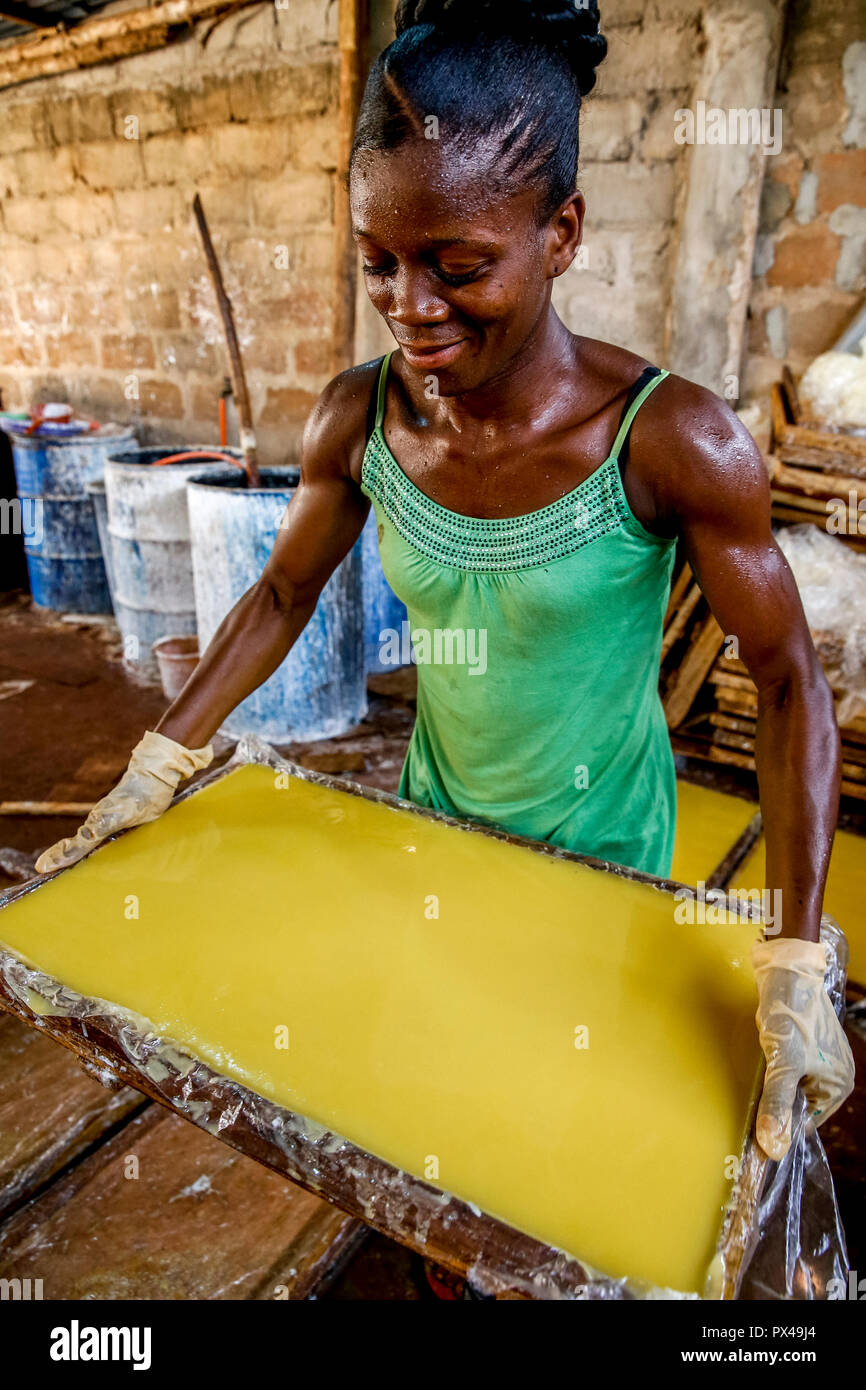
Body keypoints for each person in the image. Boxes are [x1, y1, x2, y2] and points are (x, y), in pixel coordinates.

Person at [36, 0, 853, 1162]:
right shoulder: (358, 416)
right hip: (431, 831)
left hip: (601, 860)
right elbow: (279, 597)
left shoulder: (668, 439)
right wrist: (156, 762)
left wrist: (791, 956)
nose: (411, 310)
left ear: (560, 233)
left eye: (458, 267)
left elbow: (782, 682)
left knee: (564, 1124)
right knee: (441, 1108)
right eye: (378, 264)